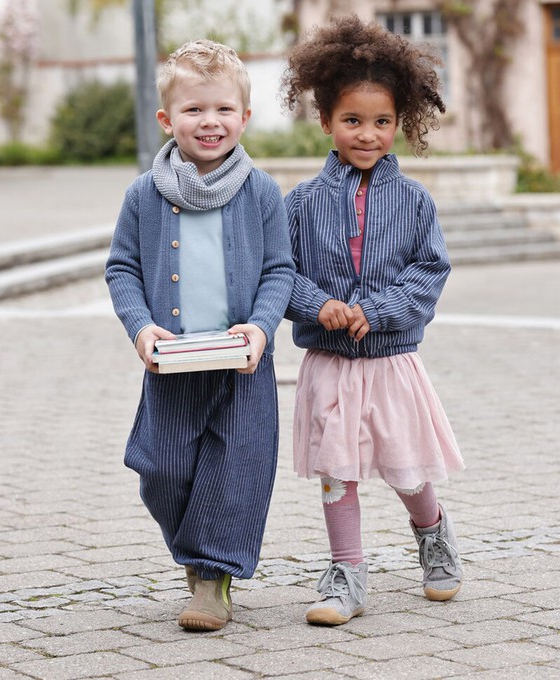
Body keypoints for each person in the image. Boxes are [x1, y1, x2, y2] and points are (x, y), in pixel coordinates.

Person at [280, 15, 465, 626]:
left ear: (401, 122)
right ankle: (347, 573)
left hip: (391, 366)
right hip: (330, 365)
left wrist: (376, 311)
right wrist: (317, 305)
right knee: (339, 470)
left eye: (382, 121)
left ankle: (433, 534)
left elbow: (429, 271)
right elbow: (280, 272)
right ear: (327, 121)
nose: (368, 134)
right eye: (353, 121)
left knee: (406, 469)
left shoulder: (415, 202)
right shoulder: (301, 203)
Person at [105, 40, 295, 632]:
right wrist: (141, 328)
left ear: (244, 117)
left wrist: (261, 330)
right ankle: (197, 553)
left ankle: (211, 579)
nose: (209, 122)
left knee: (234, 468)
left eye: (222, 110)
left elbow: (279, 270)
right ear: (167, 119)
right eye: (193, 110)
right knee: (162, 467)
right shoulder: (144, 196)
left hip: (241, 363)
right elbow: (122, 268)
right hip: (173, 364)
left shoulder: (261, 191)